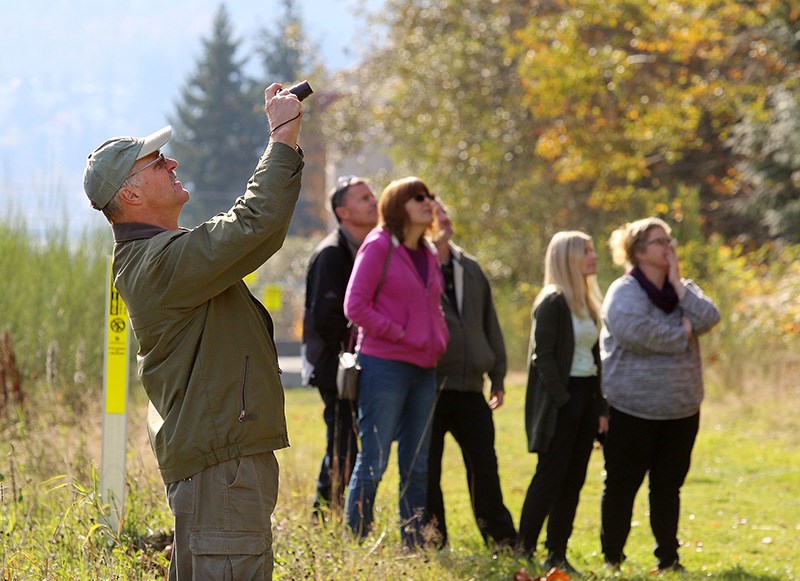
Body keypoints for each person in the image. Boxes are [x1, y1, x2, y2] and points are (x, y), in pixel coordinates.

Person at [82, 83, 303, 580]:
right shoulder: (158, 263)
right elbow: (254, 224)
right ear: (130, 194)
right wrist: (282, 137)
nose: (172, 163)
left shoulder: (159, 257)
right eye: (157, 161)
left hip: (221, 465)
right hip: (219, 470)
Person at [600, 217, 720, 574]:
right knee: (622, 485)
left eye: (670, 240)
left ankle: (668, 559)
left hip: (681, 410)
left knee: (668, 487)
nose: (670, 246)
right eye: (659, 241)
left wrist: (680, 290)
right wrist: (684, 330)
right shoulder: (624, 293)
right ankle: (613, 559)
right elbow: (641, 334)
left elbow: (710, 316)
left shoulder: (683, 289)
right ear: (638, 252)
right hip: (631, 408)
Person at [343, 176, 449, 547]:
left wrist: (438, 337)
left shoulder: (429, 252)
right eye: (418, 197)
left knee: (417, 463)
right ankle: (355, 542)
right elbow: (354, 306)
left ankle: (414, 544)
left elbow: (431, 305)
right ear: (397, 205)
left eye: (430, 196)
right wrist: (401, 334)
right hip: (383, 366)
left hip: (425, 369)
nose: (427, 202)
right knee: (373, 461)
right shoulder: (378, 245)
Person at [425, 199, 517, 550]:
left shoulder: (471, 268)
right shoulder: (412, 264)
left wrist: (498, 375)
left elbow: (489, 324)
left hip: (471, 389)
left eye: (446, 213)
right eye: (436, 215)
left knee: (485, 466)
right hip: (429, 387)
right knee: (427, 471)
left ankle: (503, 540)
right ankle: (433, 542)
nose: (444, 219)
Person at [518, 231, 608, 575]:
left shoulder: (585, 301)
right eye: (586, 250)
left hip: (586, 398)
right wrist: (563, 399)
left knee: (574, 479)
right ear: (567, 257)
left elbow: (594, 357)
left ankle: (557, 552)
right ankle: (523, 548)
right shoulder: (552, 301)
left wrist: (600, 409)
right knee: (550, 476)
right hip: (562, 400)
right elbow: (545, 358)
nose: (594, 256)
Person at [302, 175, 378, 519]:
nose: (373, 201)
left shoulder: (371, 248)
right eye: (363, 198)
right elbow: (325, 319)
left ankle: (338, 510)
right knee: (343, 440)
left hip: (360, 364)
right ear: (342, 211)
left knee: (347, 439)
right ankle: (325, 514)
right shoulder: (330, 254)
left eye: (372, 195)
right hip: (337, 368)